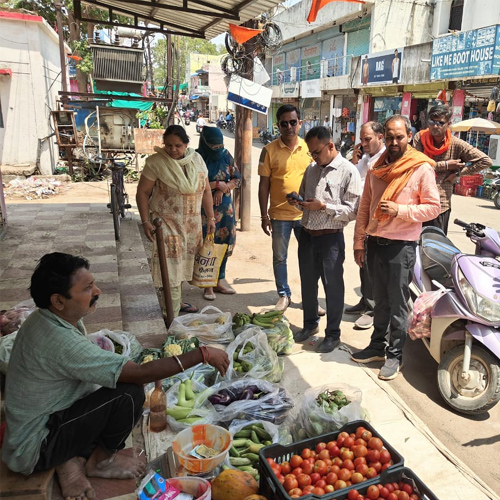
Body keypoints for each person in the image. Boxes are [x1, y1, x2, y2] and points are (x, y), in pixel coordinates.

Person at [2, 252, 229, 500]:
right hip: (35, 448)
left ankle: (69, 460)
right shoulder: (58, 339)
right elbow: (140, 374)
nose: (97, 291)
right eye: (87, 288)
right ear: (58, 301)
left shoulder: (47, 318)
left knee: (108, 390)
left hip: (45, 422)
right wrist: (202, 353)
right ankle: (99, 462)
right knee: (129, 395)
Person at [352, 115, 440, 380]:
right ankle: (377, 346)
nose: (393, 142)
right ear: (383, 137)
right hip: (375, 243)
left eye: (399, 137)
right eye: (389, 137)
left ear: (409, 136)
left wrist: (400, 210)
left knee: (398, 304)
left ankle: (395, 354)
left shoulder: (420, 168)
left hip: (401, 246)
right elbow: (365, 206)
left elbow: (433, 207)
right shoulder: (376, 166)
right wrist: (359, 242)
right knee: (379, 301)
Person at [288, 126, 361, 353]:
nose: (313, 157)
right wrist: (297, 201)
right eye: (310, 152)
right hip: (307, 235)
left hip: (331, 239)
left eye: (317, 152)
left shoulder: (348, 171)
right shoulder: (311, 169)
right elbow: (305, 197)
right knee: (308, 284)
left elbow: (353, 211)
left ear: (330, 146)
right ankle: (310, 324)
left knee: (333, 287)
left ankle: (333, 334)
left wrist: (324, 207)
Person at [136, 125, 216, 317]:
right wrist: (145, 221)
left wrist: (211, 217)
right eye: (169, 145)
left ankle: (176, 303)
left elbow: (206, 191)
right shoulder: (156, 163)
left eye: (178, 146)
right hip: (166, 224)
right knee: (170, 267)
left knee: (181, 266)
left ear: (186, 144)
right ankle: (170, 314)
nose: (173, 150)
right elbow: (142, 192)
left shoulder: (197, 159)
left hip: (191, 225)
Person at [258, 104, 311, 312]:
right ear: (278, 125)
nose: (289, 127)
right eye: (284, 123)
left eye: (293, 122)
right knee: (280, 257)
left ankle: (310, 299)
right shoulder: (268, 150)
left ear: (300, 123)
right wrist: (264, 216)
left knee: (308, 258)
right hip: (279, 215)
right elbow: (264, 185)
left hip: (306, 215)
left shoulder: (309, 148)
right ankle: (284, 295)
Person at [413, 104, 492, 234]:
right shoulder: (420, 138)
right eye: (432, 121)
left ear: (448, 124)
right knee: (413, 242)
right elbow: (417, 165)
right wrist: (446, 165)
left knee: (435, 243)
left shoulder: (456, 144)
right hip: (416, 201)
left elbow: (485, 161)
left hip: (440, 203)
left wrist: (458, 174)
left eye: (440, 123)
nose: (435, 126)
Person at [347, 121, 386, 329]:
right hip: (364, 216)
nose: (364, 143)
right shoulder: (366, 158)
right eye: (362, 139)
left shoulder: (385, 158)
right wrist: (356, 159)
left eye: (367, 139)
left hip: (378, 220)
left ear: (380, 137)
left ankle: (372, 310)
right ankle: (365, 301)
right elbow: (355, 177)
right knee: (363, 261)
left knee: (373, 266)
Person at [197, 127, 241, 301]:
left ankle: (219, 280)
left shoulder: (226, 155)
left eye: (220, 145)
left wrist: (225, 188)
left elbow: (237, 178)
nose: (217, 149)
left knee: (225, 242)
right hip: (205, 210)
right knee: (208, 243)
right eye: (214, 146)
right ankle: (207, 285)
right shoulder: (197, 157)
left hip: (226, 209)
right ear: (205, 143)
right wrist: (215, 185)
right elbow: (195, 182)